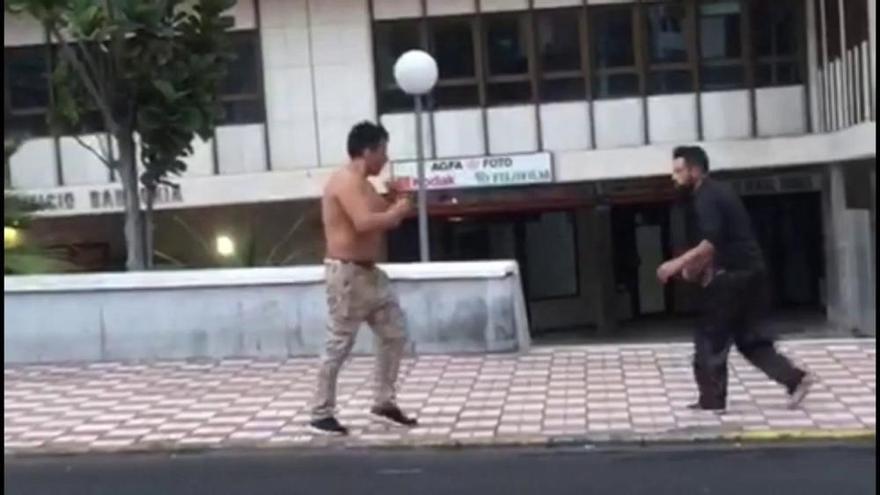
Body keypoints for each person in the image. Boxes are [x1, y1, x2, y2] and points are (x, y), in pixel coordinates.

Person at [656, 146, 814, 412]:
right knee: (750, 339)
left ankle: (712, 400)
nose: (675, 178)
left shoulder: (705, 196)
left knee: (709, 338)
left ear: (695, 170)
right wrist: (694, 269)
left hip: (732, 278)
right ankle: (795, 378)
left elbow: (710, 243)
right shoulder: (721, 192)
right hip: (752, 274)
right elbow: (721, 242)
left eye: (679, 171)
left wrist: (676, 264)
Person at [310, 121, 417, 435]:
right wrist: (396, 211)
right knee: (339, 343)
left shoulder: (365, 185)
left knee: (394, 333)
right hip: (346, 274)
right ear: (368, 150)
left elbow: (384, 217)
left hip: (370, 276)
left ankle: (384, 401)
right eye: (383, 151)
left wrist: (397, 200)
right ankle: (320, 412)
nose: (385, 159)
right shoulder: (345, 182)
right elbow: (364, 222)